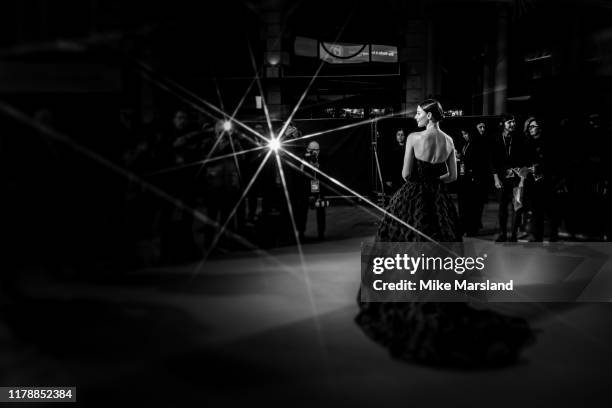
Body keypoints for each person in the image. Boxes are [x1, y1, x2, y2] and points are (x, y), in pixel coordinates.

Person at [356, 99, 533, 367]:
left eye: (417, 113)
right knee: (441, 244)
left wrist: (420, 180)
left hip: (413, 196)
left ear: (428, 115)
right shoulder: (449, 141)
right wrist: (434, 181)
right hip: (438, 198)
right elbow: (451, 177)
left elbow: (405, 174)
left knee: (402, 241)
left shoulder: (415, 138)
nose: (414, 117)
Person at [491, 114, 530, 242]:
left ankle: (513, 235)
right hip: (502, 179)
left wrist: (523, 180)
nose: (513, 124)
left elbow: (526, 160)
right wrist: (496, 179)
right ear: (503, 124)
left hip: (517, 180)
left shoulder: (519, 138)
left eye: (513, 121)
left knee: (517, 207)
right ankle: (503, 234)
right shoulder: (496, 139)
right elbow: (493, 162)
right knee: (503, 208)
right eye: (509, 122)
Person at [523, 117, 560, 242]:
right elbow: (524, 161)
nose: (531, 128)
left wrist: (540, 167)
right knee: (536, 210)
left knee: (550, 211)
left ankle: (553, 236)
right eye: (529, 127)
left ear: (540, 128)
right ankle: (537, 236)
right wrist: (526, 169)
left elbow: (553, 162)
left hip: (546, 181)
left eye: (533, 126)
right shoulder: (527, 143)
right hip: (532, 182)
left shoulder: (547, 143)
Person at [456, 127, 491, 236]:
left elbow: (477, 161)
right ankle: (464, 227)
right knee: (463, 205)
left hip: (473, 179)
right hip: (464, 178)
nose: (464, 136)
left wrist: (462, 158)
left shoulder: (477, 144)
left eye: (465, 133)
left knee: (472, 205)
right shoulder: (466, 144)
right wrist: (460, 157)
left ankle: (471, 228)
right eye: (463, 134)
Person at [294, 141, 327, 241]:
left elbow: (326, 177)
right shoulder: (303, 159)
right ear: (307, 150)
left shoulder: (323, 160)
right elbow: (299, 176)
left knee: (321, 210)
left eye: (317, 150)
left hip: (319, 191)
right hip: (305, 190)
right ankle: (301, 233)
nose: (315, 152)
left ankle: (321, 233)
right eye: (312, 150)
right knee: (302, 211)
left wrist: (318, 167)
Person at [383, 129, 407, 195]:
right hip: (395, 177)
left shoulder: (408, 148)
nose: (400, 136)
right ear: (396, 136)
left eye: (402, 135)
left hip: (405, 176)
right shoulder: (391, 149)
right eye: (398, 135)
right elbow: (388, 165)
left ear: (405, 136)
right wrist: (388, 179)